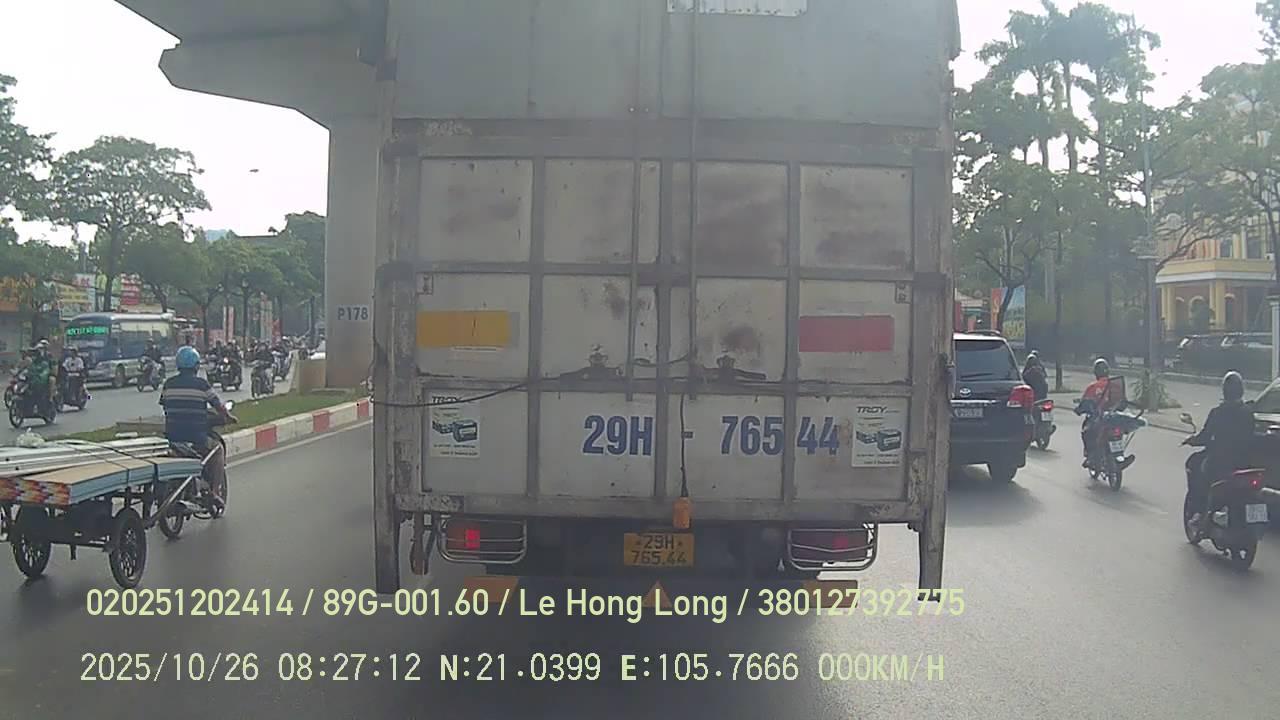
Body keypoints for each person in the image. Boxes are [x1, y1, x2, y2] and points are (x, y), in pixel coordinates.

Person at [160, 346, 237, 512]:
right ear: (196, 366)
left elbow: (165, 405)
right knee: (217, 450)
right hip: (196, 437)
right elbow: (219, 406)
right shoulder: (202, 385)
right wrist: (229, 417)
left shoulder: (168, 384)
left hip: (172, 438)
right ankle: (214, 492)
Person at [1182, 371, 1256, 529]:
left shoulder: (1217, 412)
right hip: (1245, 462)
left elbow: (1205, 437)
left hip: (1221, 461)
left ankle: (1199, 511)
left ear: (1224, 391)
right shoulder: (1248, 412)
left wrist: (1192, 440)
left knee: (1196, 466)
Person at [1078, 358, 1119, 466]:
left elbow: (1084, 402)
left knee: (1086, 432)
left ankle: (1091, 456)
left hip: (1098, 418)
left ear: (1096, 372)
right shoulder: (1116, 385)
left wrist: (1079, 409)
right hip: (1115, 417)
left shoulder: (1093, 387)